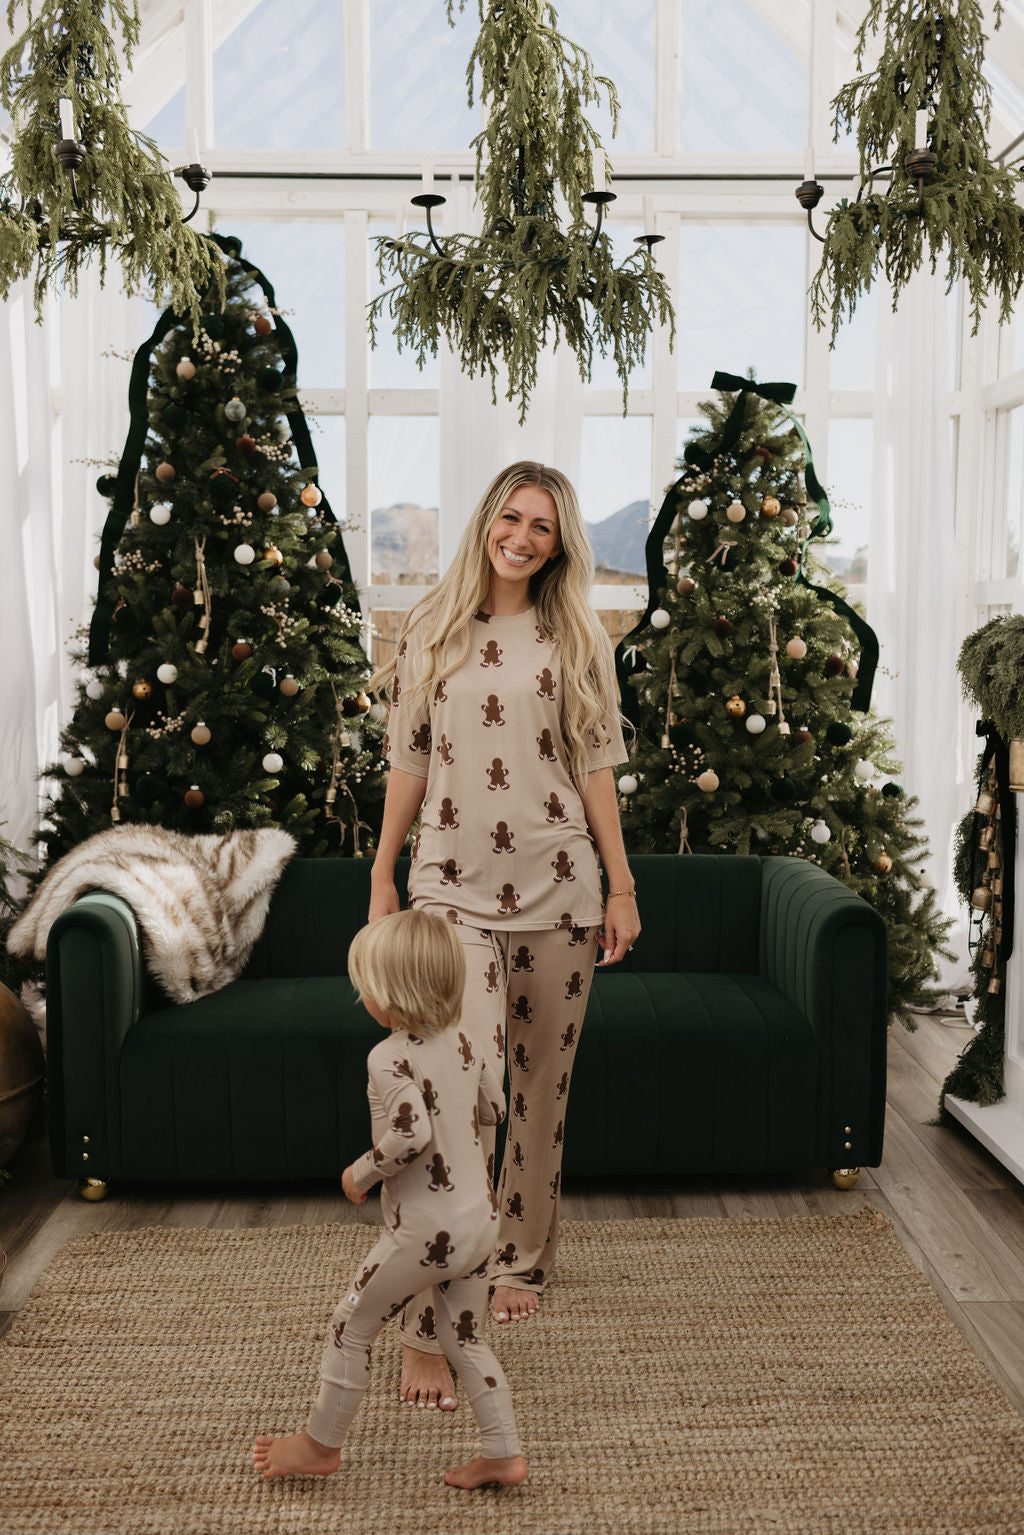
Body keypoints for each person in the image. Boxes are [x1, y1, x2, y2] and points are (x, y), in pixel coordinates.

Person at [368, 460, 642, 1413]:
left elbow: (597, 761)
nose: (522, 537)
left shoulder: (575, 634)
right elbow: (408, 758)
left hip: (561, 886)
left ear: (561, 541)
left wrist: (620, 880)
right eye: (511, 518)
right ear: (488, 519)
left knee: (537, 1091)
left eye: (543, 526)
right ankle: (431, 1322)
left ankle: (520, 1261)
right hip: (451, 890)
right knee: (460, 1095)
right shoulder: (431, 627)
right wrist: (381, 870)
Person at [252, 908, 526, 1491]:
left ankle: (320, 1446)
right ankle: (502, 1453)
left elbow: (410, 1135)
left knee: (351, 1324)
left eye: (366, 988)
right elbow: (494, 1111)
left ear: (391, 995)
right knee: (466, 1338)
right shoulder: (467, 1042)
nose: (362, 999)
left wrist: (360, 1173)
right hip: (480, 1220)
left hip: (426, 1230)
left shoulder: (389, 1055)